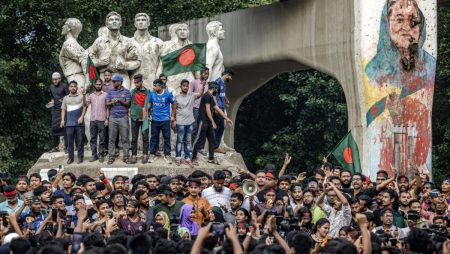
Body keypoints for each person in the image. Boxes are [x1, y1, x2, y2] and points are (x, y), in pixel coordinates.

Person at [191, 83, 232, 165]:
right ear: (213, 88)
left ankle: (211, 158)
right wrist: (213, 121)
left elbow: (217, 108)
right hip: (203, 121)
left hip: (209, 122)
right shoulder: (206, 96)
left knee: (212, 140)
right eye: (216, 89)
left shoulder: (211, 97)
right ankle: (193, 158)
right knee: (199, 140)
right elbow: (208, 110)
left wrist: (227, 119)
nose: (217, 91)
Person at [173, 79, 205, 166]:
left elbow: (200, 94)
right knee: (179, 141)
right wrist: (173, 120)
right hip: (180, 123)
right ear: (181, 87)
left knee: (187, 141)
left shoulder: (192, 95)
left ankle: (187, 157)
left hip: (190, 122)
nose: (185, 87)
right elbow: (174, 110)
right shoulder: (177, 97)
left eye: (187, 86)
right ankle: (178, 157)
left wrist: (203, 84)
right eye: (184, 86)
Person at [147, 79, 176, 164]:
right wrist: (146, 112)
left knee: (167, 138)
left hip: (165, 120)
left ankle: (167, 155)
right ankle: (152, 154)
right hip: (155, 120)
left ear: (160, 86)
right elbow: (149, 104)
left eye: (155, 85)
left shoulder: (168, 94)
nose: (154, 87)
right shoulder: (152, 94)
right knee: (153, 138)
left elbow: (174, 104)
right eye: (153, 85)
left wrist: (172, 116)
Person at [106, 74, 131, 164]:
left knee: (125, 138)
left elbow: (128, 104)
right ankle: (111, 157)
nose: (113, 83)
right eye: (113, 81)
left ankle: (126, 157)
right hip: (112, 118)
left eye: (114, 81)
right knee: (112, 139)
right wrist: (112, 102)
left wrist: (120, 101)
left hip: (123, 118)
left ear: (120, 82)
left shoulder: (127, 92)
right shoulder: (110, 92)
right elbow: (107, 104)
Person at [60, 80, 87, 164]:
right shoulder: (65, 98)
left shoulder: (80, 97)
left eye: (74, 86)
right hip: (69, 123)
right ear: (69, 88)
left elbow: (85, 106)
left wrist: (82, 117)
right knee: (70, 142)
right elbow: (63, 109)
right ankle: (70, 158)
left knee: (80, 141)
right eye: (71, 86)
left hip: (79, 123)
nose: (73, 88)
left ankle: (80, 158)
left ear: (77, 87)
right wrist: (62, 120)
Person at [129, 74, 149, 164]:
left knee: (145, 137)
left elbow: (149, 104)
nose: (136, 84)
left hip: (144, 118)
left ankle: (145, 155)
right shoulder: (132, 92)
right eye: (135, 82)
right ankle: (134, 156)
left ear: (141, 82)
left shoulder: (147, 92)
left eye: (138, 82)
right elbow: (131, 104)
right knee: (134, 138)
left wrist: (149, 115)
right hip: (134, 118)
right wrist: (131, 113)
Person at [213, 69, 234, 153]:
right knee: (217, 127)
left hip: (222, 107)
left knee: (221, 128)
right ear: (227, 75)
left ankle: (216, 146)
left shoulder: (224, 84)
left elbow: (222, 93)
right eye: (230, 76)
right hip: (218, 108)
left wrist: (226, 100)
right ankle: (214, 147)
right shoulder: (217, 82)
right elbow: (213, 94)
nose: (231, 78)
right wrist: (216, 107)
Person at [88, 78, 108, 162]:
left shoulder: (106, 95)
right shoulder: (91, 95)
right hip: (93, 120)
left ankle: (101, 155)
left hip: (102, 120)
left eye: (100, 84)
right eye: (97, 84)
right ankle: (94, 155)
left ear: (102, 85)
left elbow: (107, 108)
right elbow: (85, 104)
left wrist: (106, 119)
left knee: (102, 138)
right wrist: (83, 95)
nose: (98, 86)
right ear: (94, 85)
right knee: (93, 138)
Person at [48, 72, 68, 153]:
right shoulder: (51, 86)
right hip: (55, 109)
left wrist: (64, 99)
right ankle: (55, 147)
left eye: (56, 79)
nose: (55, 81)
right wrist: (51, 101)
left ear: (59, 79)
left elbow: (68, 96)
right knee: (54, 128)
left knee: (65, 127)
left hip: (63, 109)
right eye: (53, 80)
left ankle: (66, 147)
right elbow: (52, 97)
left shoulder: (64, 86)